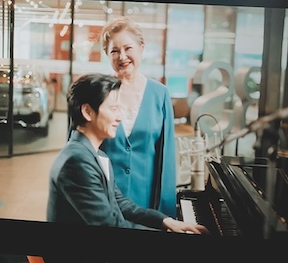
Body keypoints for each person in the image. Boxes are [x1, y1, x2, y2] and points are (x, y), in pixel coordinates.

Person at [47, 73, 206, 234]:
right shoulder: (76, 162)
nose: (119, 117)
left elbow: (120, 202)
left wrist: (166, 221)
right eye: (114, 109)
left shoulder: (97, 154)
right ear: (88, 112)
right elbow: (109, 225)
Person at [99, 16, 177, 217]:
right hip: (102, 203)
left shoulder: (160, 94)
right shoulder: (96, 93)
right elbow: (78, 150)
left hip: (146, 205)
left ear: (141, 48)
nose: (122, 56)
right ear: (107, 55)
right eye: (114, 51)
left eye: (128, 48)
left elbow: (166, 159)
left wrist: (165, 215)